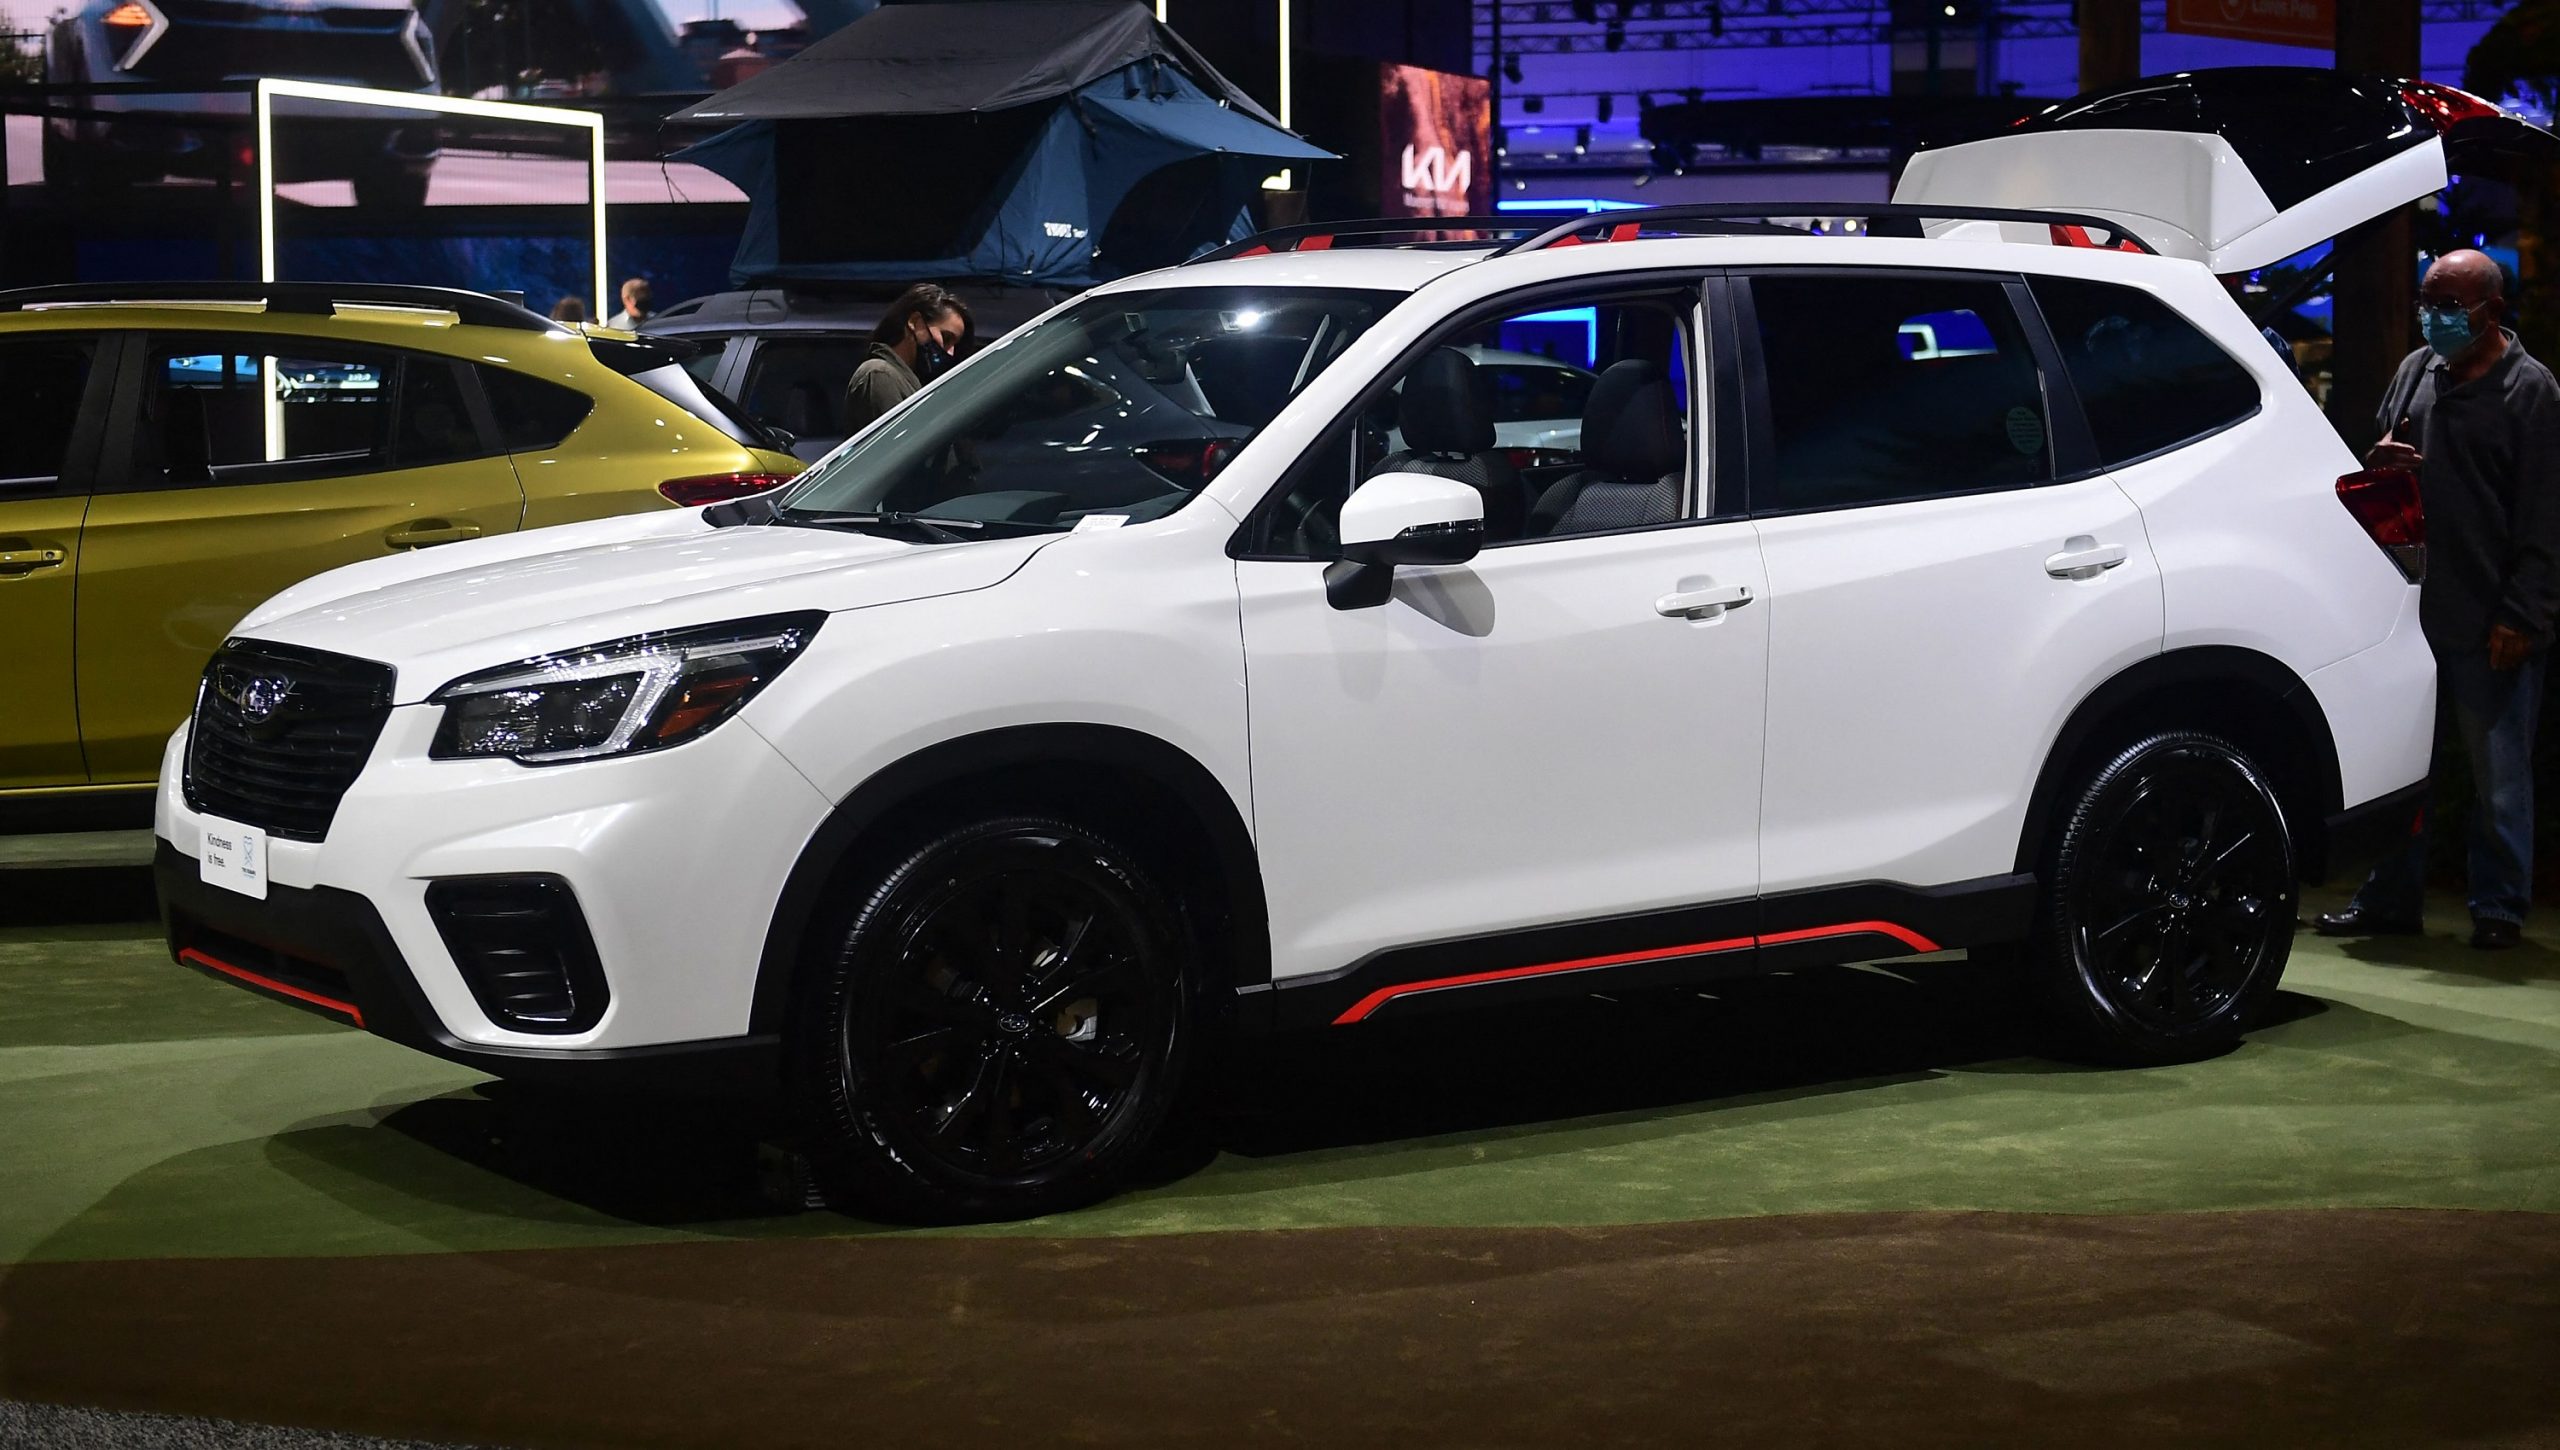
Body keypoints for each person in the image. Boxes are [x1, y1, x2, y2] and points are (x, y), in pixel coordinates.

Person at [2318, 250, 2560, 950]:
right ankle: (2390, 899)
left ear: (2493, 311)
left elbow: (2545, 515)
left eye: (2450, 303)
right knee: (2403, 769)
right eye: (2429, 298)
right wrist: (2379, 463)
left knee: (2498, 776)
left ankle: (2499, 909)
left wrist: (2524, 614)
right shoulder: (2416, 369)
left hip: (2492, 619)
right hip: (2409, 616)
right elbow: (2379, 463)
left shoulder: (2532, 391)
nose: (2436, 314)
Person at [843, 284, 970, 433]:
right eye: (946, 337)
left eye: (955, 345)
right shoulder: (880, 375)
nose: (950, 352)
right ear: (915, 322)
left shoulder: (913, 384)